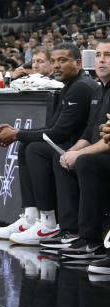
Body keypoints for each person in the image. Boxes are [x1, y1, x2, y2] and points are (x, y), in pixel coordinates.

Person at [0, 44, 99, 244]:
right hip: (71, 142)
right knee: (27, 145)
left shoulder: (81, 87)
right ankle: (32, 217)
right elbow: (52, 127)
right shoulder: (69, 85)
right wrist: (17, 134)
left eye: (63, 60)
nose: (56, 66)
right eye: (54, 61)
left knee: (35, 149)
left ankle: (49, 222)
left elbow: (58, 133)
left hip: (81, 146)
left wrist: (16, 134)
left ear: (78, 63)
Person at [36, 40, 110, 260]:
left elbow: (107, 141)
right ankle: (68, 229)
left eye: (108, 54)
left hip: (104, 156)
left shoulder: (86, 87)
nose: (102, 59)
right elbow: (89, 133)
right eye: (98, 55)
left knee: (85, 162)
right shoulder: (100, 90)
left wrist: (80, 154)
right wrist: (73, 151)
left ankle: (92, 239)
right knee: (63, 156)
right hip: (100, 151)